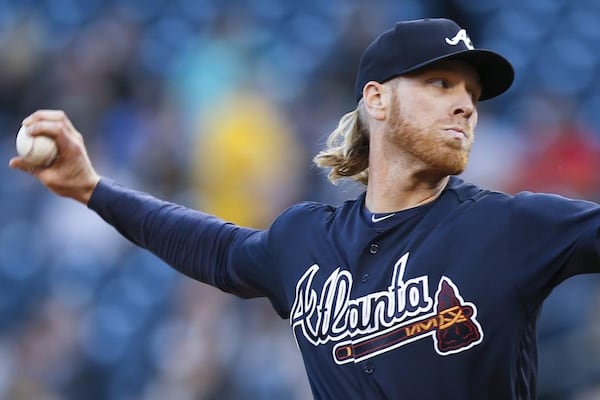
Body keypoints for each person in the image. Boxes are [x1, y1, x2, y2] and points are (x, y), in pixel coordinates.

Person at [8, 18, 600, 400]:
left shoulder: (512, 227)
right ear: (377, 100)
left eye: (471, 93)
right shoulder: (302, 240)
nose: (465, 105)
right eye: (441, 84)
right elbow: (211, 245)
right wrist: (92, 187)